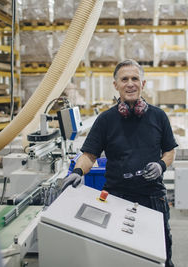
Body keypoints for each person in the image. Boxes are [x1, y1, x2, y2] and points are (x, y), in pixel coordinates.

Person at [61, 59, 177, 267]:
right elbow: (89, 155)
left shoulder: (159, 117)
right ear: (116, 85)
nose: (130, 83)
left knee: (160, 257)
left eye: (135, 78)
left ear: (143, 84)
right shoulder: (106, 120)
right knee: (118, 257)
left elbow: (170, 151)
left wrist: (161, 165)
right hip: (115, 196)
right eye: (124, 79)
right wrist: (78, 171)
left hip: (153, 197)